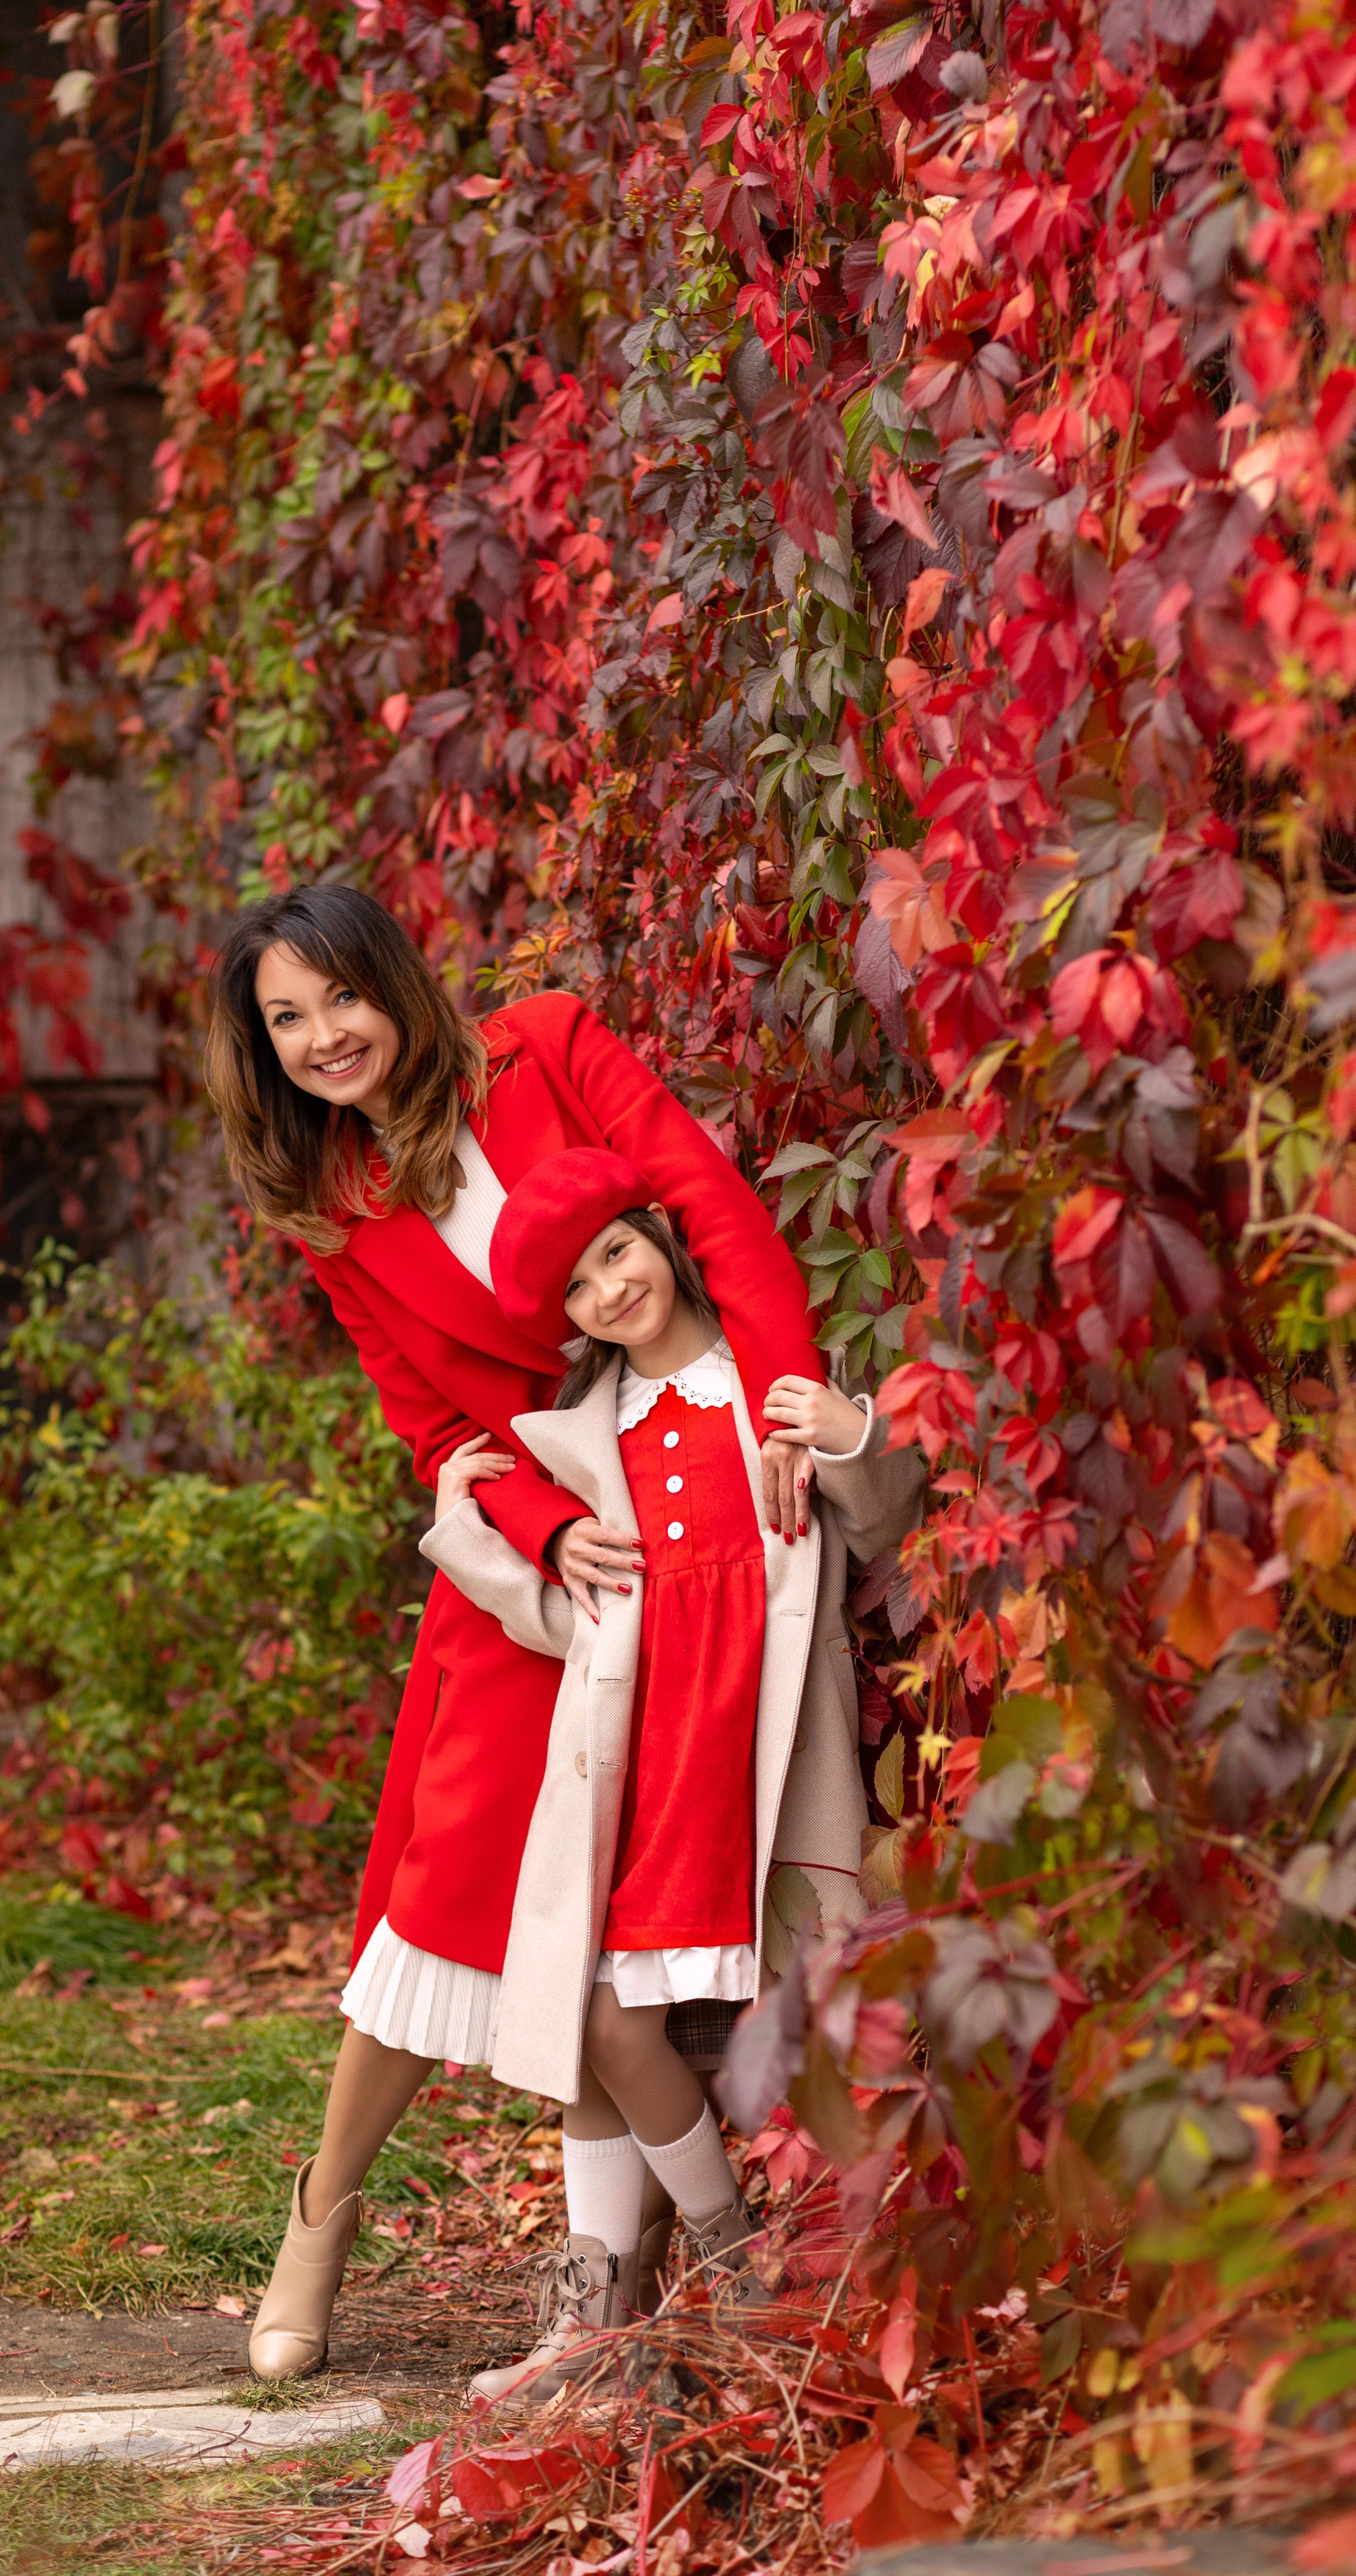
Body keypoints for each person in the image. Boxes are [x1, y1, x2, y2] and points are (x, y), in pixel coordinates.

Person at [203, 886, 825, 2381]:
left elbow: (713, 1213)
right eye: (283, 1022)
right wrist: (543, 1531)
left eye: (334, 997)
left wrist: (788, 1403)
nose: (320, 1037)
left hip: (699, 1502)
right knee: (446, 1891)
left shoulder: (548, 1051)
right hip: (547, 1560)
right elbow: (430, 1424)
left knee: (609, 1918)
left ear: (393, 981)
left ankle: (607, 2271)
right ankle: (322, 2211)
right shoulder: (336, 1211)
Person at [419, 1149, 925, 2406]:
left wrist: (851, 1429)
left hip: (754, 1765)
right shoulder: (589, 1443)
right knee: (595, 2028)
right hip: (638, 1778)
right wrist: (460, 1525)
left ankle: (675, 2293)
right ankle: (700, 2270)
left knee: (645, 2035)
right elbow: (556, 1615)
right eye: (578, 1292)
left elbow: (886, 1518)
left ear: (659, 1234)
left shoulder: (768, 1390)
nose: (608, 1291)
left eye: (616, 1253)